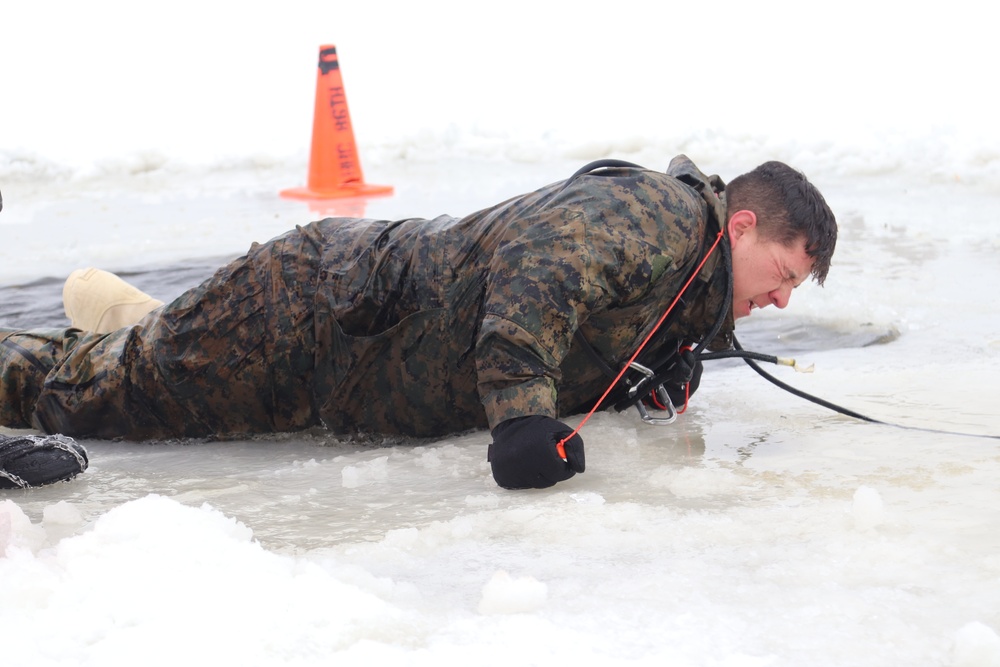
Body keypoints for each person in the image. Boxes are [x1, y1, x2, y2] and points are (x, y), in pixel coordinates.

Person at [0, 155, 837, 490]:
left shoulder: (686, 289)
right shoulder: (650, 211)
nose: (783, 300)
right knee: (83, 396)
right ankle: (119, 339)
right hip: (310, 314)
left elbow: (594, 325)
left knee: (150, 362)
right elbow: (538, 272)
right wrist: (522, 418)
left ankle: (132, 320)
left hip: (349, 370)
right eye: (785, 275)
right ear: (743, 228)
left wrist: (656, 368)